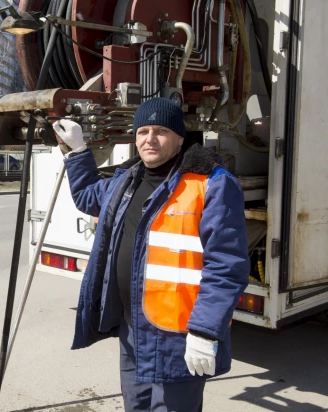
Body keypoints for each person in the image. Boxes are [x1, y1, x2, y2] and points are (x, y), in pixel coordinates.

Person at [53, 98, 250, 411]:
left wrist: (205, 330)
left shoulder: (211, 184)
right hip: (133, 330)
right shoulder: (126, 180)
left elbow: (227, 267)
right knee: (137, 407)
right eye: (143, 131)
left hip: (180, 335)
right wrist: (77, 150)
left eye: (161, 131)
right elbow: (88, 196)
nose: (150, 138)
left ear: (180, 138)